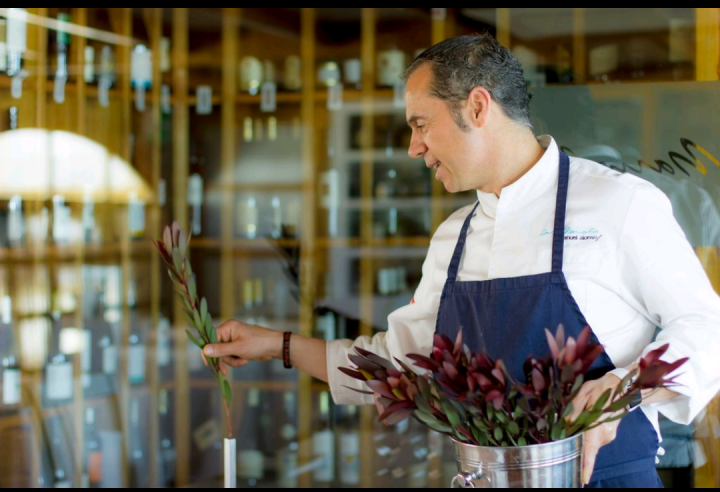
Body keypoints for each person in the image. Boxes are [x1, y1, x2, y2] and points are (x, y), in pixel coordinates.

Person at [202, 33, 720, 487]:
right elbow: (397, 366)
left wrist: (620, 391)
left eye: (421, 124)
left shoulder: (618, 203)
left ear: (477, 107)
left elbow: (706, 324)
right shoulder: (454, 237)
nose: (413, 147)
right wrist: (278, 346)